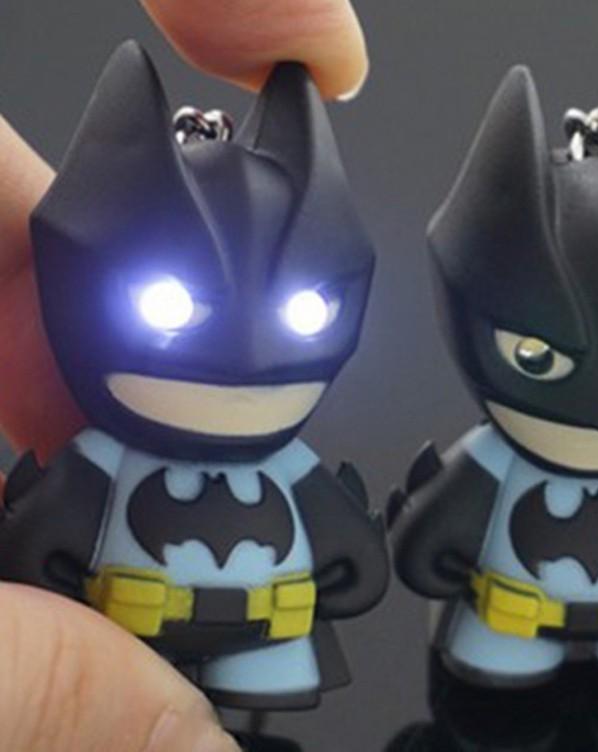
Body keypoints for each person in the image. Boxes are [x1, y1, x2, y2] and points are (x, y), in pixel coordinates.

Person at [0, 2, 368, 750]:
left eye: (302, 313)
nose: (247, 359)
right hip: (127, 628)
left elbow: (348, 548)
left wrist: (352, 561)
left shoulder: (288, 467)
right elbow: (40, 541)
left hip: (271, 632)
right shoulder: (102, 462)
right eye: (177, 309)